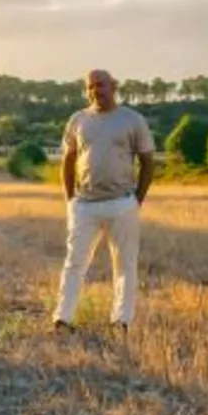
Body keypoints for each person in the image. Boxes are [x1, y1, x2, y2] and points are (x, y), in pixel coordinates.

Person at [52, 69, 155, 334]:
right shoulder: (78, 120)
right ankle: (62, 319)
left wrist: (136, 200)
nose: (95, 90)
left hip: (122, 203)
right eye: (90, 87)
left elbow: (147, 161)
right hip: (84, 204)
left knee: (125, 264)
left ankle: (121, 321)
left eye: (100, 85)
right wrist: (70, 199)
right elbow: (68, 160)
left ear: (114, 86)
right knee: (74, 263)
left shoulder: (132, 120)